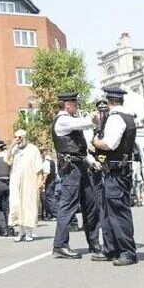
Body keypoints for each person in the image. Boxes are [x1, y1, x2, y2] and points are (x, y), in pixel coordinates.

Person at [51, 92, 101, 259]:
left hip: (79, 166)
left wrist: (90, 160)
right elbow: (84, 123)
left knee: (91, 205)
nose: (76, 107)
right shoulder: (63, 120)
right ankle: (60, 245)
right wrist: (94, 117)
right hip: (71, 168)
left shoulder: (70, 122)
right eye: (75, 104)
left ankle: (94, 243)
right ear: (67, 105)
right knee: (68, 205)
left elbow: (78, 149)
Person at [91, 86, 138, 266]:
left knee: (118, 212)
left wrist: (95, 140)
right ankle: (111, 248)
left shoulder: (116, 118)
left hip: (116, 172)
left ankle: (127, 251)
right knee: (108, 211)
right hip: (116, 171)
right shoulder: (127, 117)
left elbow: (109, 144)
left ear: (109, 101)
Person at [6, 130, 44, 242]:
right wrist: (12, 145)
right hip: (16, 181)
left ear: (25, 137)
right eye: (16, 137)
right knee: (16, 206)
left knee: (28, 206)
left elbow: (39, 168)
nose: (18, 139)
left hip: (29, 182)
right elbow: (8, 161)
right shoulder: (15, 150)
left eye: (20, 137)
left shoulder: (33, 149)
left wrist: (39, 184)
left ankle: (29, 233)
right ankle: (20, 232)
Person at [41, 149, 59, 220]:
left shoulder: (46, 161)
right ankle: (51, 214)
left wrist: (43, 182)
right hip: (53, 180)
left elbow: (46, 173)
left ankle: (54, 214)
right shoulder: (52, 161)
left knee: (49, 198)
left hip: (49, 181)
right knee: (51, 197)